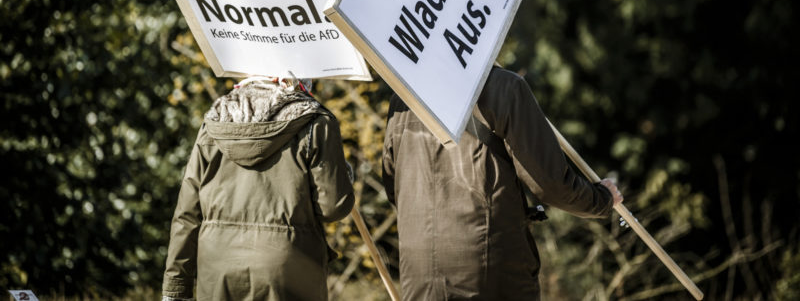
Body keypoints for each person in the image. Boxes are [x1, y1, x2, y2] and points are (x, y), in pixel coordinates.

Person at [382, 66, 623, 300]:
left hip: (419, 274)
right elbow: (550, 184)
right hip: (491, 272)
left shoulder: (402, 97)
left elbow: (395, 189)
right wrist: (601, 199)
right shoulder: (505, 87)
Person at [162, 77, 354, 301]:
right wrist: (343, 175)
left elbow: (187, 213)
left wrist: (176, 286)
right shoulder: (316, 122)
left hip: (217, 266)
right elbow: (333, 207)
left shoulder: (214, 120)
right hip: (288, 267)